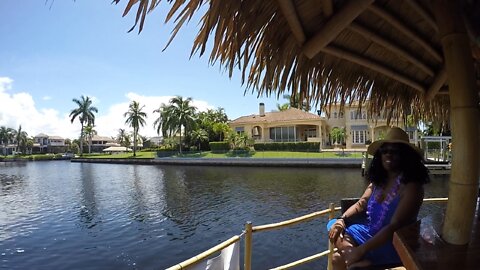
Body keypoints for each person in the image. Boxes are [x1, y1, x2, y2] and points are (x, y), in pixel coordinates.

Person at [327, 127, 430, 269]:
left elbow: (394, 226)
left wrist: (360, 251)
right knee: (332, 224)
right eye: (384, 150)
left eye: (395, 151)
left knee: (337, 259)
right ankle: (355, 259)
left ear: (406, 155)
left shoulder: (412, 187)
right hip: (370, 233)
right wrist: (342, 220)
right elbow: (361, 204)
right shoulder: (378, 182)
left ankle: (357, 260)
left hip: (393, 243)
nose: (388, 154)